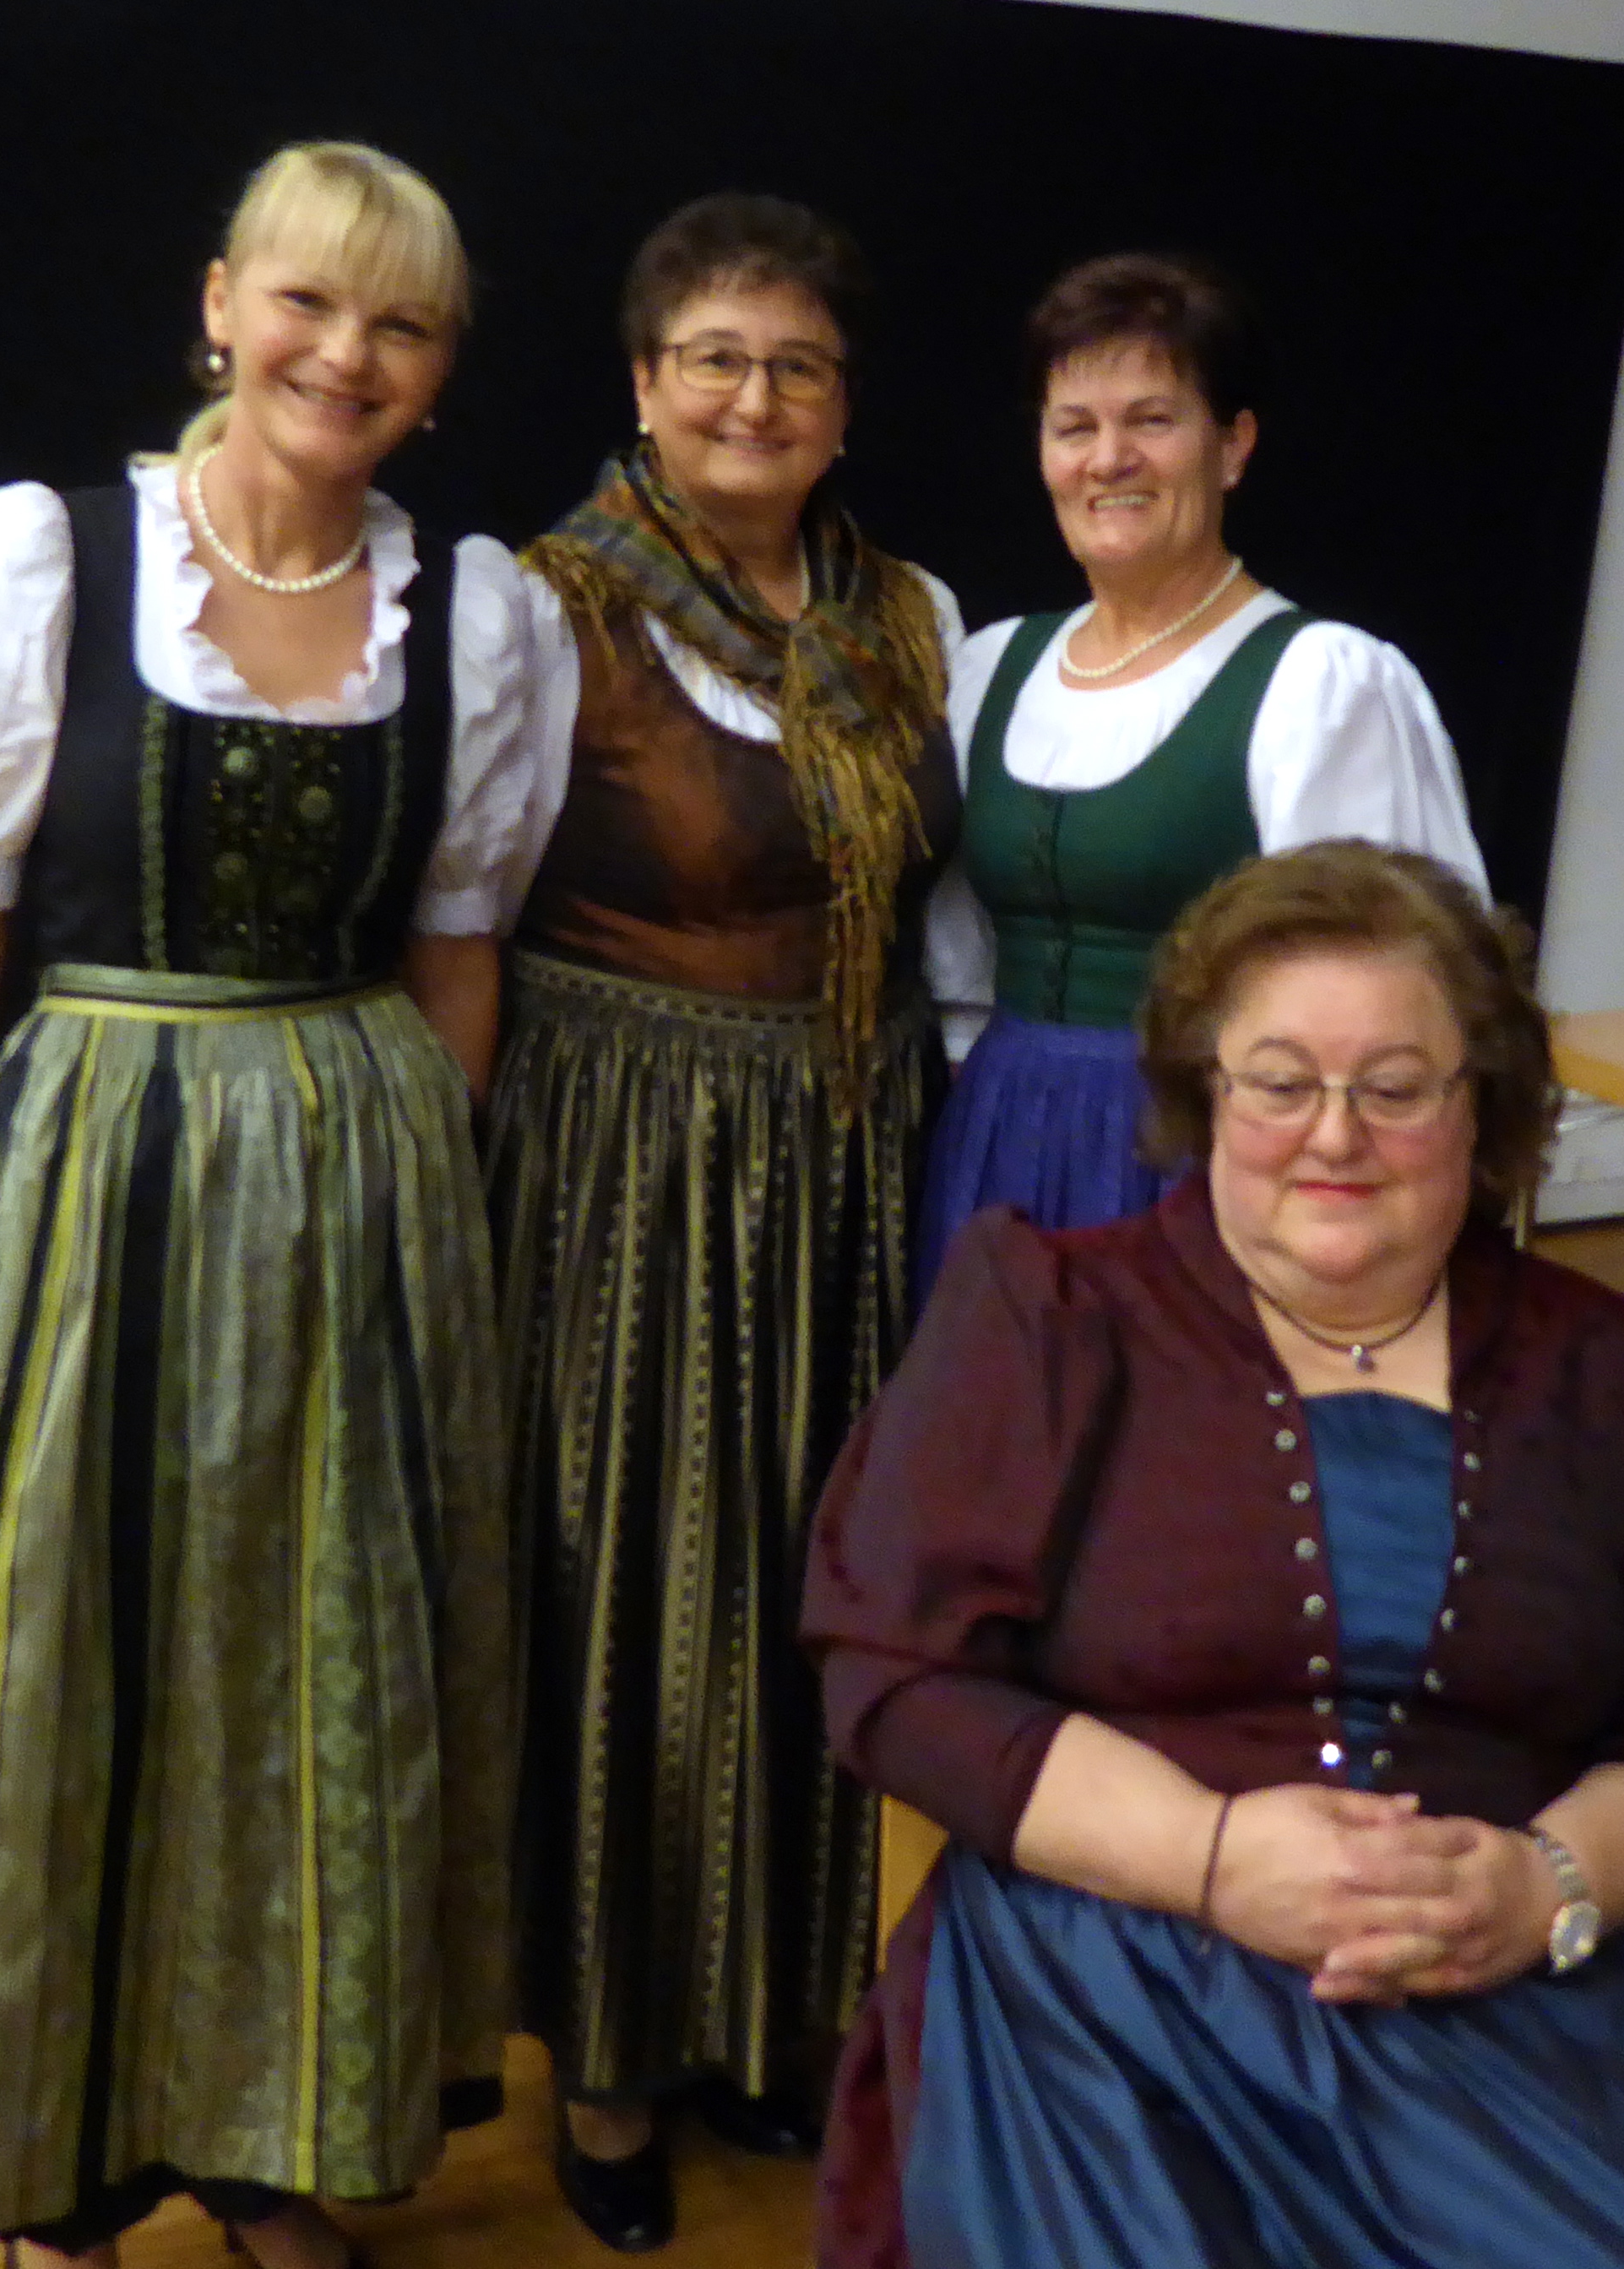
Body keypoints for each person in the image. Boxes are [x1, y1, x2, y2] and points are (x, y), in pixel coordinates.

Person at [804, 841, 1624, 2268]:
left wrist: (1542, 1885)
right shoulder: (1049, 1318)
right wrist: (1211, 1858)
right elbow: (894, 1678)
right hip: (1103, 2005)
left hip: (1510, 2005)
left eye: (1393, 1088)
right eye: (1278, 1082)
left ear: (1482, 1107)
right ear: (1205, 1094)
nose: (1332, 1136)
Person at [0, 142, 511, 2269]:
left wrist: (421, 1212)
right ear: (222, 304)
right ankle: (62, 2158)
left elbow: (456, 955)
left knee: (318, 1664)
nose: (346, 353)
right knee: (79, 1645)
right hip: (97, 1163)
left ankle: (274, 2130)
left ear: (438, 368)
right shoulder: (47, 556)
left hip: (357, 1176)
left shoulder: (473, 612)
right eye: (307, 301)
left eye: (401, 323)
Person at [408, 192, 960, 2252]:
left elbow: (934, 919)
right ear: (643, 385)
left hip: (839, 1165)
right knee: (627, 1602)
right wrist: (463, 1189)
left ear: (844, 405)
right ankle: (611, 2061)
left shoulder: (903, 613)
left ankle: (765, 2011)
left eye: (796, 364)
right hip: (620, 1164)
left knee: (804, 1590)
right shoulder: (541, 608)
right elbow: (456, 917)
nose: (754, 395)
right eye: (715, 357)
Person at [917, 252, 1487, 1295]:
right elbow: (956, 950)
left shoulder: (1320, 683)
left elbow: (1410, 982)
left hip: (1208, 1151)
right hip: (999, 1131)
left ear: (1233, 445)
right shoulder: (993, 665)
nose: (1110, 458)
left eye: (1153, 420)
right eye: (1075, 426)